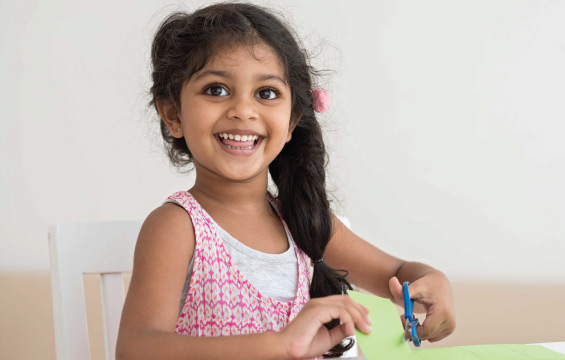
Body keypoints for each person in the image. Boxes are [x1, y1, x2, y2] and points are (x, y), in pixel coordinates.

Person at [115, 2, 456, 359]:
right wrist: (278, 345)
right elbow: (136, 348)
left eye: (266, 93)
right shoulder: (177, 227)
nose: (243, 110)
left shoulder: (303, 221)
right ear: (172, 114)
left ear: (292, 120)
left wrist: (434, 282)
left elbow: (398, 273)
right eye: (216, 89)